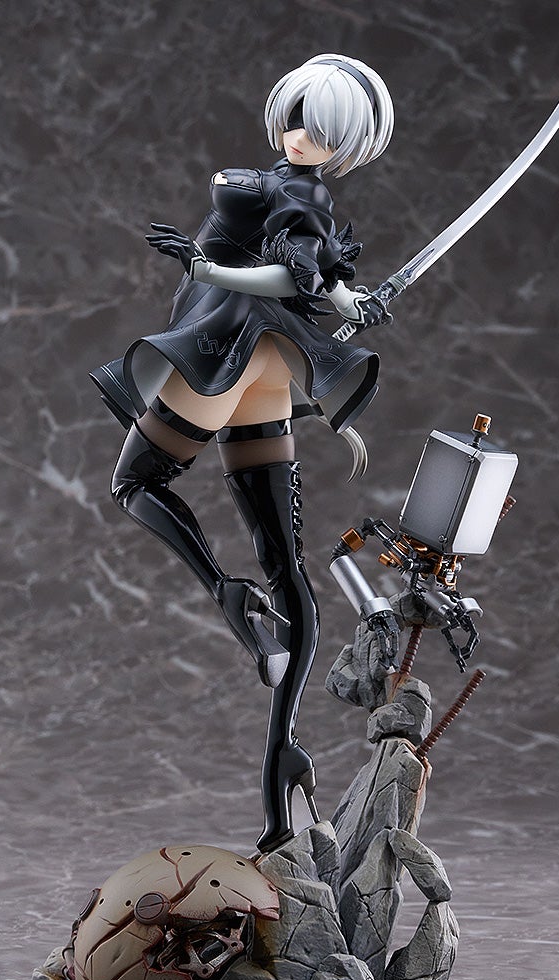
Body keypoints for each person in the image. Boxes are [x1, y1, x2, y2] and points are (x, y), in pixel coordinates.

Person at [92, 54, 395, 852]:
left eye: (321, 130)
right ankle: (282, 767)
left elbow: (288, 277)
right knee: (287, 566)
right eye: (297, 118)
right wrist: (348, 296)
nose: (302, 137)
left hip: (228, 350)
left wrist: (208, 268)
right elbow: (311, 272)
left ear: (345, 144)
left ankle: (227, 595)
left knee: (137, 482)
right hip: (264, 366)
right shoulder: (299, 193)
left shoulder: (299, 193)